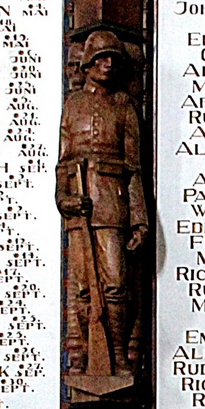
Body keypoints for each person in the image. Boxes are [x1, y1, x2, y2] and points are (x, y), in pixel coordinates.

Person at [57, 30, 148, 378]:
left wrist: (139, 220)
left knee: (115, 283)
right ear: (89, 63)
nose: (108, 65)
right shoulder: (74, 104)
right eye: (101, 58)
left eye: (113, 59)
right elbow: (64, 162)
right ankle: (86, 356)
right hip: (80, 205)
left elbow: (134, 167)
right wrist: (64, 200)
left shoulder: (123, 105)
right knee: (83, 285)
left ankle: (117, 356)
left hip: (112, 204)